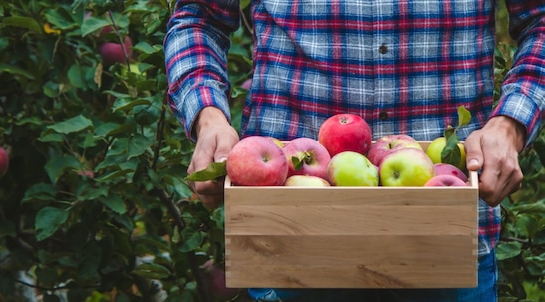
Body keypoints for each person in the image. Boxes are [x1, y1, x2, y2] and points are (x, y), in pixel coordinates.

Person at [164, 1, 545, 301]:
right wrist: (208, 117)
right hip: (289, 234)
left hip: (446, 238)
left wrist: (511, 123)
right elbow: (200, 17)